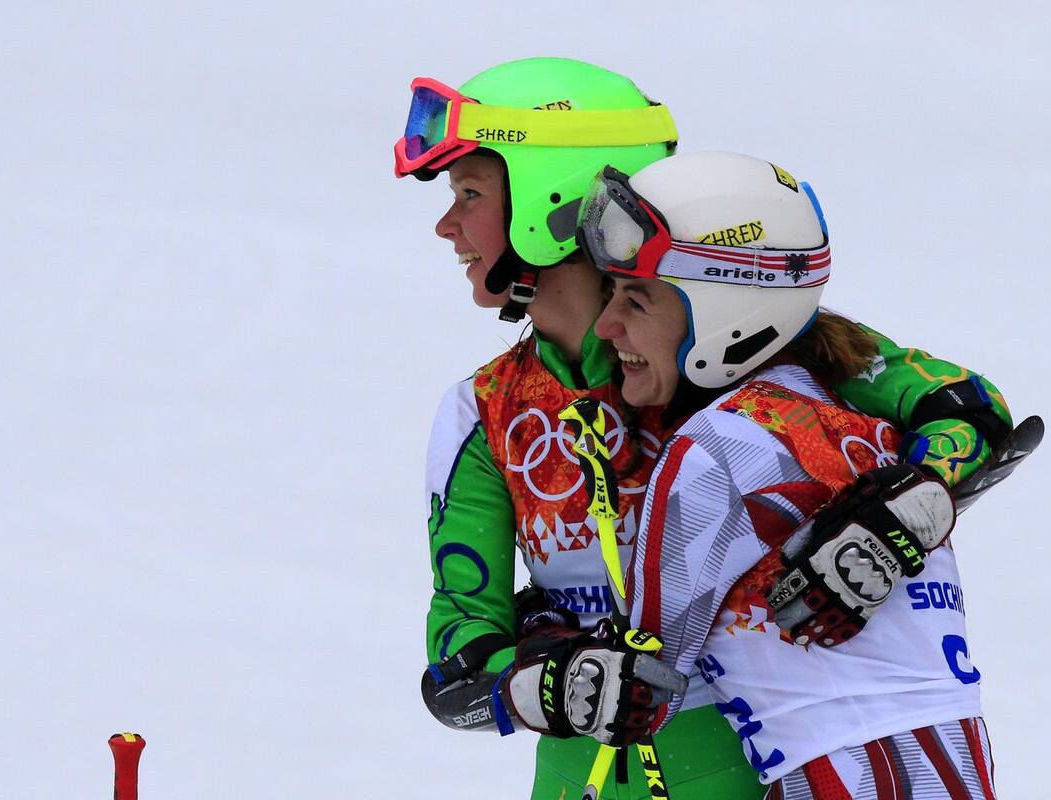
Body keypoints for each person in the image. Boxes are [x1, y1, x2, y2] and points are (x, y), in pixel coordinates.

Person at [396, 58, 1012, 799]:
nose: (447, 225)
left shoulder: (739, 341)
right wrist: (543, 682)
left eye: (469, 193)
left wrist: (900, 514)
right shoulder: (485, 411)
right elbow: (458, 659)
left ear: (546, 196)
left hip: (753, 771)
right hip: (577, 782)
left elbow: (967, 410)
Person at [581, 150, 1002, 797]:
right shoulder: (866, 416)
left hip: (844, 772)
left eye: (636, 302)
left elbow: (645, 685)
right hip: (951, 764)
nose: (606, 325)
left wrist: (539, 654)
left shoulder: (713, 451)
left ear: (723, 313)